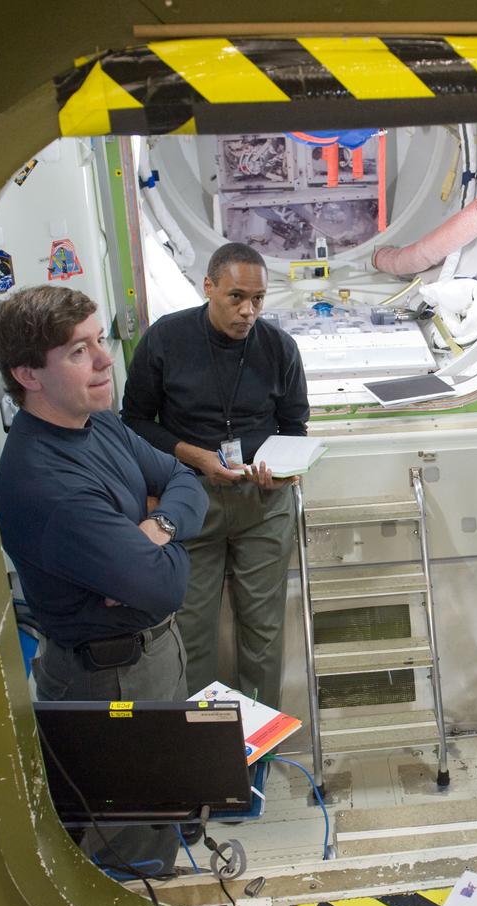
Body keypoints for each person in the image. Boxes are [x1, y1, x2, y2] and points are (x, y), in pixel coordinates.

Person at [0, 284, 208, 874]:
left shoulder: (99, 423)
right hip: (110, 681)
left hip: (152, 654)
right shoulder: (44, 482)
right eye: (79, 351)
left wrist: (154, 528)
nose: (107, 359)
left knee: (162, 809)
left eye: (99, 341)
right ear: (28, 374)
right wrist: (162, 551)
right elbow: (167, 586)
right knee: (133, 857)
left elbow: (187, 480)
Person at [122, 242, 309, 707]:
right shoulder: (167, 339)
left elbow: (295, 426)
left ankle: (258, 750)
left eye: (259, 300)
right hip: (189, 499)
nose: (249, 312)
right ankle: (207, 751)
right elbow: (136, 423)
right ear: (208, 287)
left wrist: (282, 471)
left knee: (263, 631)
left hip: (261, 502)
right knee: (191, 628)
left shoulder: (279, 348)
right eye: (236, 297)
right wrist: (195, 457)